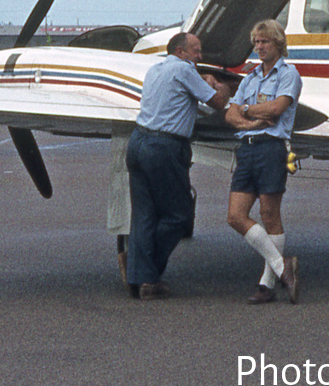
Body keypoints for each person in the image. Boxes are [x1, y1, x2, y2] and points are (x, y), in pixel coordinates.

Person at [124, 31, 222, 300]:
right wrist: (218, 84)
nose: (200, 57)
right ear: (180, 52)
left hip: (138, 142)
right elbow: (217, 102)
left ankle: (137, 276)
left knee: (144, 215)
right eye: (196, 51)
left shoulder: (155, 69)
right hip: (164, 147)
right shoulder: (184, 69)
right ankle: (147, 276)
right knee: (179, 215)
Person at [226, 20, 302, 304]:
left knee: (270, 214)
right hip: (247, 148)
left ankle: (267, 284)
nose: (259, 47)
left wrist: (246, 109)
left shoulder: (289, 74)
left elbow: (277, 107)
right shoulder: (250, 77)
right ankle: (284, 267)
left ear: (278, 43)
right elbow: (230, 116)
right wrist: (249, 121)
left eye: (264, 42)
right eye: (256, 42)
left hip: (272, 148)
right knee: (235, 216)